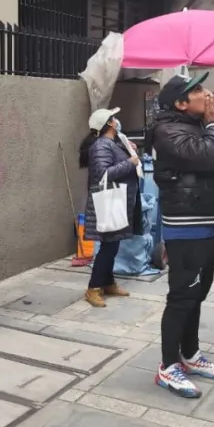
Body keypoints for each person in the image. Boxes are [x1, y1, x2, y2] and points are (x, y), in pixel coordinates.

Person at [146, 73, 214, 398]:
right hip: (186, 226)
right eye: (197, 90)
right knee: (183, 296)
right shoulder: (167, 131)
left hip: (207, 221)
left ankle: (191, 354)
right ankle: (169, 366)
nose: (207, 93)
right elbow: (207, 156)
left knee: (198, 292)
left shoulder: (197, 127)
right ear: (181, 103)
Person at [80, 107, 142, 307]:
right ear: (109, 123)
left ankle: (108, 283)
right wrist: (130, 163)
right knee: (109, 247)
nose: (117, 121)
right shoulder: (101, 146)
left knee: (112, 245)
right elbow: (103, 174)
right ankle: (93, 288)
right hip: (109, 203)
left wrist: (130, 152)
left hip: (117, 202)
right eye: (114, 118)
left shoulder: (112, 143)